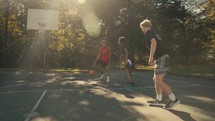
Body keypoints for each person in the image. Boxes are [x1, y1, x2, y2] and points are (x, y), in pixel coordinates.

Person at [140, 19, 180, 109]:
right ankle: (159, 99)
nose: (142, 29)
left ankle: (174, 99)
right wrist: (154, 58)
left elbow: (154, 43)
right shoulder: (152, 32)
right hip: (160, 58)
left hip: (162, 58)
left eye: (141, 28)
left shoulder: (148, 32)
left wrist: (151, 57)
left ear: (144, 27)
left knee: (159, 80)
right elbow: (156, 45)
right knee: (155, 79)